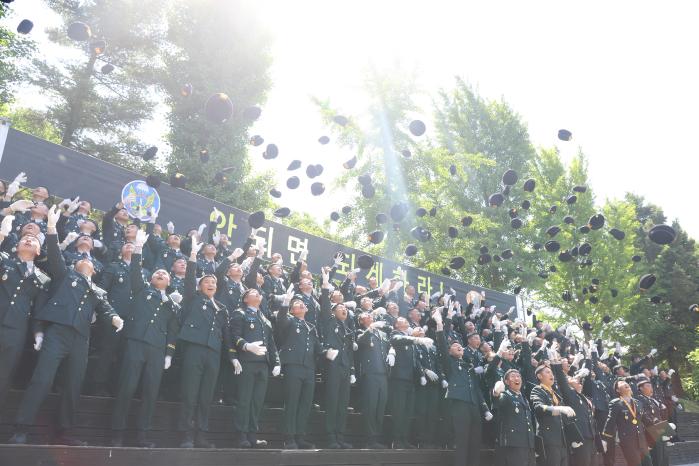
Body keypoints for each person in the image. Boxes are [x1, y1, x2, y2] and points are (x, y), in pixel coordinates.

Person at [9, 205, 123, 446]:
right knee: (42, 379)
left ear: (94, 270)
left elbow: (105, 307)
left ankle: (64, 431)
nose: (85, 261)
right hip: (58, 333)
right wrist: (51, 228)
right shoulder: (64, 275)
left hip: (81, 339)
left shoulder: (97, 289)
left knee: (73, 386)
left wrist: (114, 317)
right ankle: (22, 427)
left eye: (89, 262)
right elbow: (54, 253)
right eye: (81, 260)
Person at [110, 230, 181, 447]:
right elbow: (134, 271)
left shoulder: (172, 303)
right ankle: (117, 434)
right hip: (136, 343)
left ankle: (142, 434)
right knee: (127, 388)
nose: (160, 274)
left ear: (169, 281)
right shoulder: (141, 289)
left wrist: (169, 353)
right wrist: (139, 248)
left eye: (164, 274)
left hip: (157, 350)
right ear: (150, 278)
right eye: (157, 272)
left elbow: (173, 330)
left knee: (151, 392)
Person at [177, 237, 234, 448]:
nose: (211, 284)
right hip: (194, 349)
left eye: (214, 282)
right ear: (200, 286)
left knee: (206, 395)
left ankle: (201, 433)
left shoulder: (221, 307)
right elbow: (189, 278)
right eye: (207, 282)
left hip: (213, 352)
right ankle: (186, 435)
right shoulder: (193, 298)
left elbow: (226, 335)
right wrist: (192, 255)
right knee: (190, 392)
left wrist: (233, 357)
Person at [0, 215, 50, 417]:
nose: (28, 239)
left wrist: (38, 333)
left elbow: (38, 309)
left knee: (4, 375)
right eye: (24, 239)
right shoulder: (4, 260)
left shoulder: (43, 278)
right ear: (16, 245)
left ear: (38, 251)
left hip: (17, 329)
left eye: (34, 240)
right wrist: (2, 232)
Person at [434, 307, 492, 466]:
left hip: (474, 404)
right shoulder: (449, 362)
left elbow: (477, 389)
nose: (458, 346)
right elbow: (441, 344)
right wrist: (440, 323)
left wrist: (485, 408)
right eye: (454, 346)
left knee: (475, 441)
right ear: (450, 351)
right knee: (462, 439)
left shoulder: (468, 366)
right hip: (459, 403)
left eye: (460, 345)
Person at [230, 279, 281, 448]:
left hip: (263, 365)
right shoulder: (240, 313)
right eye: (253, 292)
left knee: (257, 401)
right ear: (245, 299)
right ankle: (241, 435)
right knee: (245, 399)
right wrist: (246, 346)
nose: (257, 294)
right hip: (247, 361)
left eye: (259, 293)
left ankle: (252, 435)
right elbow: (234, 335)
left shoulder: (264, 318)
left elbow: (271, 343)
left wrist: (276, 363)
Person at [276, 286, 324, 449]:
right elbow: (281, 320)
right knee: (292, 401)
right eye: (296, 304)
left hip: (309, 367)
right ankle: (289, 437)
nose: (301, 304)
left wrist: (327, 352)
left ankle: (300, 435)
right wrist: (285, 303)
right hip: (293, 365)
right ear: (292, 309)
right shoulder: (289, 320)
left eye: (302, 303)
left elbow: (317, 347)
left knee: (305, 404)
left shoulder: (311, 326)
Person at [319, 267, 355, 449]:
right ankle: (331, 436)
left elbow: (350, 351)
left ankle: (340, 436)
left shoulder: (347, 328)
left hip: (345, 367)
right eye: (340, 307)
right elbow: (325, 305)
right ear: (333, 311)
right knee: (332, 401)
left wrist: (352, 370)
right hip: (332, 365)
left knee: (343, 403)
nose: (344, 310)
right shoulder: (329, 320)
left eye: (345, 308)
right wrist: (325, 285)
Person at [389, 316, 432, 449]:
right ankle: (396, 439)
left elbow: (415, 361)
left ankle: (404, 438)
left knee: (407, 412)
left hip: (410, 380)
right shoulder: (396, 334)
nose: (406, 321)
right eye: (402, 320)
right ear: (396, 325)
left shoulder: (410, 340)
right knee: (399, 410)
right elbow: (397, 340)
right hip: (399, 379)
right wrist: (416, 339)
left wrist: (421, 374)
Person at [551, 352, 596, 466]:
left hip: (591, 437)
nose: (578, 381)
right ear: (568, 384)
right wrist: (555, 363)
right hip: (580, 438)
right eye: (573, 379)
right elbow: (561, 380)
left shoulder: (581, 396)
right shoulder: (569, 394)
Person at [530, 358, 576, 466]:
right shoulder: (537, 390)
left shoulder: (555, 393)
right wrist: (558, 409)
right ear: (539, 376)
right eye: (547, 372)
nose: (551, 375)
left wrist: (574, 437)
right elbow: (538, 407)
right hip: (548, 439)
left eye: (551, 372)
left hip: (562, 440)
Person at [356, 310, 391, 449]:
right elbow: (360, 340)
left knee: (381, 407)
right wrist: (370, 328)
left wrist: (392, 350)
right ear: (361, 321)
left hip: (383, 374)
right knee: (371, 406)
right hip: (370, 373)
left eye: (371, 315)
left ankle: (377, 437)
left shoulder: (382, 334)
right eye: (366, 315)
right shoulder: (361, 331)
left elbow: (389, 345)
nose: (370, 316)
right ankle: (370, 439)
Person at [602, 380, 653, 466]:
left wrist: (663, 429)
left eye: (626, 383)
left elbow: (647, 421)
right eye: (622, 383)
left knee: (648, 463)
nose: (626, 384)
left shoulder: (638, 403)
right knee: (635, 463)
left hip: (641, 440)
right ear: (618, 390)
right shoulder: (616, 403)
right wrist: (605, 440)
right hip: (628, 441)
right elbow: (610, 422)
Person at [492, 369, 536, 466]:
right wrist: (496, 392)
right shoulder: (505, 395)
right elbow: (497, 401)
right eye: (513, 376)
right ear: (507, 382)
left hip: (528, 444)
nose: (517, 378)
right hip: (514, 444)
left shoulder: (524, 398)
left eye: (518, 376)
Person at [637, 379, 671, 466]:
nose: (651, 388)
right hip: (651, 429)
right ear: (641, 388)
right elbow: (644, 415)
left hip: (660, 427)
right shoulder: (640, 399)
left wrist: (666, 428)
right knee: (657, 454)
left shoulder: (652, 399)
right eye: (648, 386)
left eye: (651, 386)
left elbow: (661, 415)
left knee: (664, 453)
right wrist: (657, 424)